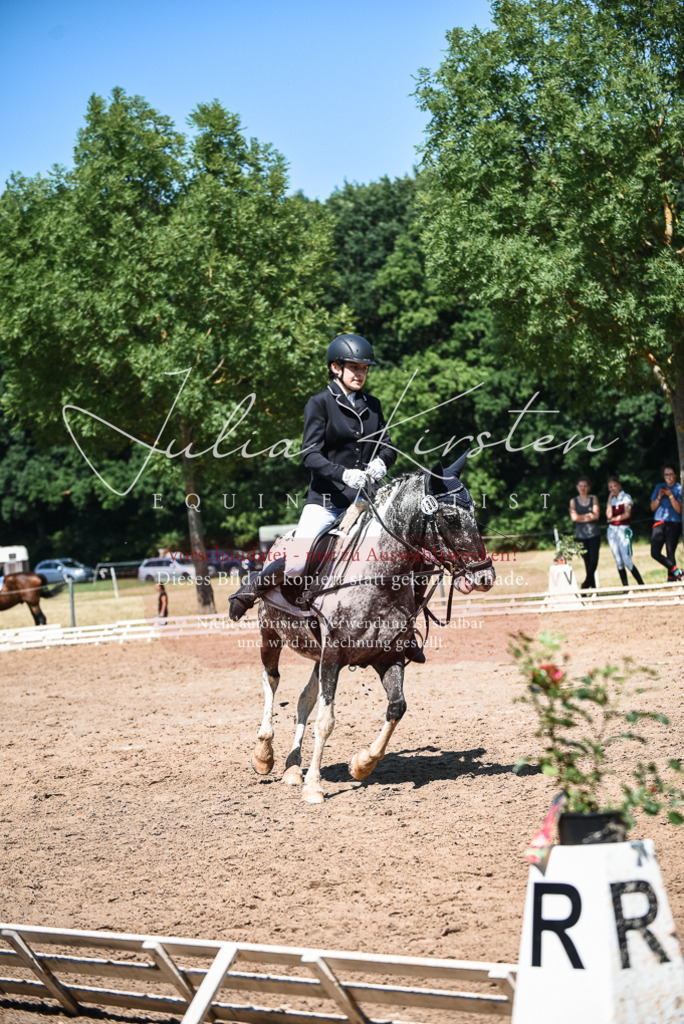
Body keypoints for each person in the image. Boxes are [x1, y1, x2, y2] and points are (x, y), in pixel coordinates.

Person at [229, 333, 430, 657]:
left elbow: (388, 446)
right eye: (354, 367)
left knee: (402, 557)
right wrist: (343, 473)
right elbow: (310, 455)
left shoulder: (372, 405)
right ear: (336, 367)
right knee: (298, 561)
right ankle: (253, 587)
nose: (360, 373)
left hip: (365, 501)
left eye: (364, 368)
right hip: (326, 500)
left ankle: (403, 630)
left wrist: (381, 462)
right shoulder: (319, 403)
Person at [605, 476, 644, 586]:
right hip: (612, 531)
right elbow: (608, 515)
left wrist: (614, 519)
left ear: (619, 486)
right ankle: (625, 586)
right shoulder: (611, 500)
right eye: (610, 487)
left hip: (623, 529)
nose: (613, 488)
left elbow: (627, 514)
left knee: (626, 559)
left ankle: (641, 583)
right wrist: (609, 500)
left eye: (614, 486)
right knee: (618, 560)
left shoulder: (626, 497)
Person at [649, 464, 683, 581]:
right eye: (666, 474)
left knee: (670, 552)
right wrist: (659, 496)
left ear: (675, 475)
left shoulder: (679, 488)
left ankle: (671, 580)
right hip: (659, 522)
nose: (668, 477)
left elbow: (679, 510)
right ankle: (678, 573)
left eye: (671, 474)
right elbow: (652, 507)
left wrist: (670, 495)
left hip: (673, 522)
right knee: (654, 552)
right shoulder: (659, 487)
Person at [569, 477, 600, 589]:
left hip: (594, 534)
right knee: (587, 562)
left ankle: (585, 585)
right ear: (577, 487)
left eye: (585, 486)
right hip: (581, 536)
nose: (583, 488)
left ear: (588, 487)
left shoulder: (593, 498)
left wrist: (580, 517)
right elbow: (574, 518)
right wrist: (588, 516)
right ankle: (594, 589)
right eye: (580, 486)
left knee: (594, 561)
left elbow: (596, 515)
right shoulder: (573, 501)